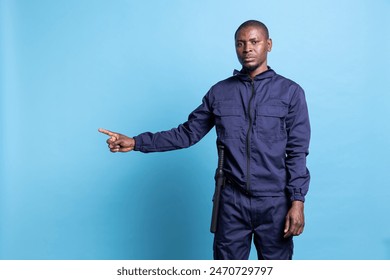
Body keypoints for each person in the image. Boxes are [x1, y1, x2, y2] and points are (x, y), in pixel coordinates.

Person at [99, 20, 310, 260]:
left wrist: (297, 201)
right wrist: (136, 142)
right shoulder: (220, 92)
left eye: (254, 42)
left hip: (275, 203)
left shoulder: (290, 92)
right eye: (240, 44)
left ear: (268, 45)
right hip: (232, 203)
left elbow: (297, 151)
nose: (247, 49)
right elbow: (187, 133)